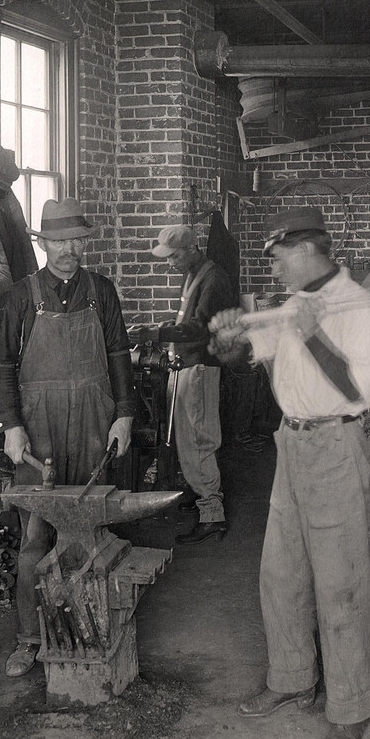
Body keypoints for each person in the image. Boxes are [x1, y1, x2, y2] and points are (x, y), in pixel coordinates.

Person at [208, 207, 370, 739]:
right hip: (292, 446)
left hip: (335, 445)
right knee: (280, 574)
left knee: (342, 584)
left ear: (308, 250)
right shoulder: (294, 308)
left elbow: (356, 393)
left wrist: (313, 338)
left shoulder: (359, 309)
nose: (278, 269)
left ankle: (352, 706)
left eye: (282, 257)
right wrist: (227, 339)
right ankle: (291, 680)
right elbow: (245, 359)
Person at [0, 197, 136, 678]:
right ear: (44, 244)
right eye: (58, 241)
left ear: (83, 243)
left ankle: (92, 626)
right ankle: (30, 638)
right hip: (39, 431)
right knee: (35, 535)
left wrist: (124, 416)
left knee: (92, 526)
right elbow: (1, 367)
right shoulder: (21, 296)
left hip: (94, 423)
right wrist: (10, 425)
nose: (68, 249)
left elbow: (118, 357)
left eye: (76, 240)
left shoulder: (102, 291)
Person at [129, 225, 235, 545]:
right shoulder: (192, 274)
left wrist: (155, 334)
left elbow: (198, 330)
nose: (169, 262)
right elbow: (183, 320)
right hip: (185, 366)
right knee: (187, 440)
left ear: (192, 249)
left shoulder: (214, 279)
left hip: (200, 368)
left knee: (199, 441)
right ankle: (200, 493)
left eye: (174, 256)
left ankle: (212, 514)